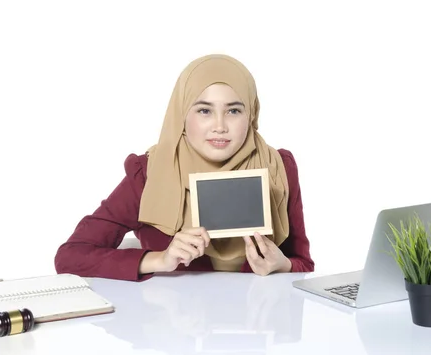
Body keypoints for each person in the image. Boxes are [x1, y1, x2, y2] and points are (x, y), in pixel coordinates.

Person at [54, 54, 314, 281]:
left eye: (234, 111)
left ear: (251, 115)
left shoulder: (278, 168)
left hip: (258, 326)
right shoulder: (149, 172)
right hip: (172, 327)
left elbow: (303, 265)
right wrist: (160, 260)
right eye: (204, 111)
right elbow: (71, 256)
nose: (219, 125)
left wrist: (283, 265)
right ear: (182, 114)